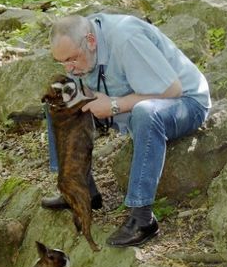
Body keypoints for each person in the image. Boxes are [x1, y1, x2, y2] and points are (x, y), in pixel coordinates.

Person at [41, 13, 211, 247]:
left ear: (90, 41)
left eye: (72, 59)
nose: (69, 67)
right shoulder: (81, 37)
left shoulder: (126, 37)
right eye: (62, 62)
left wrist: (112, 105)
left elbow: (172, 90)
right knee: (58, 98)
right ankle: (80, 192)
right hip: (126, 99)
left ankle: (143, 219)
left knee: (145, 112)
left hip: (184, 103)